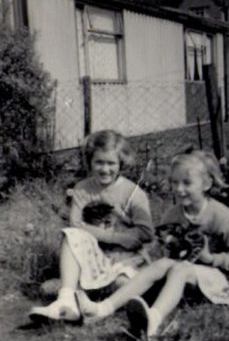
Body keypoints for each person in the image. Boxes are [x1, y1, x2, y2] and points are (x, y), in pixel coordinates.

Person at [76, 149, 229, 337]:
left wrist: (210, 258)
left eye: (187, 183)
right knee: (163, 265)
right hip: (184, 278)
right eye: (174, 182)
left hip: (220, 279)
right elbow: (164, 252)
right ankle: (101, 310)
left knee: (181, 268)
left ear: (207, 184)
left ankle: (153, 319)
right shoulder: (173, 214)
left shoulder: (220, 215)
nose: (179, 189)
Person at [29, 130, 154, 323]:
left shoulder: (132, 192)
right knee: (69, 235)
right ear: (90, 162)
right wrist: (109, 236)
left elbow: (146, 233)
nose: (105, 169)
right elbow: (75, 226)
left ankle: (74, 287)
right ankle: (67, 300)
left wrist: (112, 236)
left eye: (111, 163)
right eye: (99, 162)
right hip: (97, 256)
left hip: (126, 259)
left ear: (121, 163)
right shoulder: (82, 188)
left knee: (124, 283)